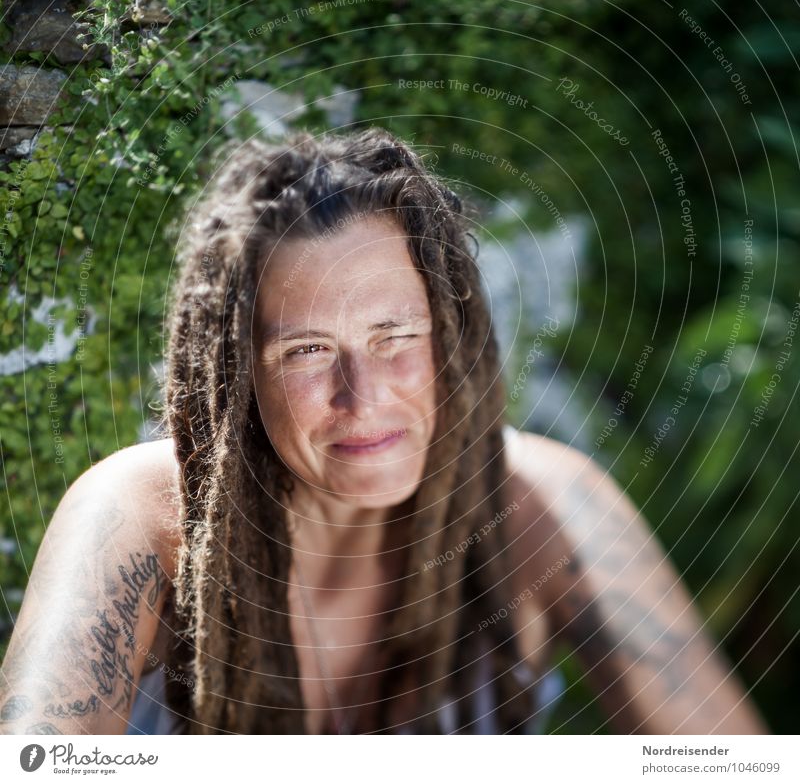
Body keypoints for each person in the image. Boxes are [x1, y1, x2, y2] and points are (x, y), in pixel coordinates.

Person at [0, 127, 767, 736]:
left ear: (451, 333)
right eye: (306, 351)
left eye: (396, 335)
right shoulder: (142, 515)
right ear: (236, 374)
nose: (360, 397)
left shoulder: (541, 507)